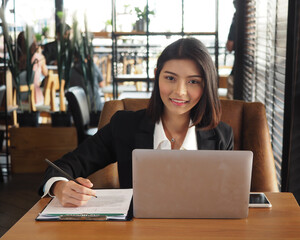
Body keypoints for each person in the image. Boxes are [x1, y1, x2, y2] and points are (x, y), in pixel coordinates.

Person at [38, 37, 234, 207]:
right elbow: (63, 166)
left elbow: (227, 199)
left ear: (206, 84)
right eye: (170, 78)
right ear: (157, 75)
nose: (179, 91)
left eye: (193, 81)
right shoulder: (125, 127)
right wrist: (59, 186)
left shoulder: (221, 136)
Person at [17, 31, 48, 105]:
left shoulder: (17, 60)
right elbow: (46, 73)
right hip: (36, 99)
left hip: (18, 100)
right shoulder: (39, 58)